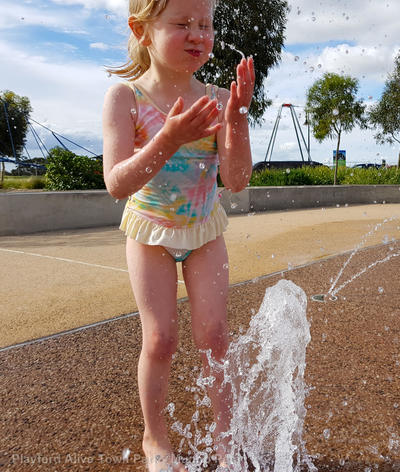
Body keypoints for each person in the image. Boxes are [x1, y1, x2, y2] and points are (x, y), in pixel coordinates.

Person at [102, 0, 254, 470]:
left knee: (215, 336)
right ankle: (155, 439)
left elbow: (236, 180)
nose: (197, 34)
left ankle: (227, 438)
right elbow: (116, 183)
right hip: (150, 233)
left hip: (205, 230)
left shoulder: (213, 95)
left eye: (205, 24)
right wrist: (166, 138)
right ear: (142, 30)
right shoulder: (125, 97)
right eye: (182, 24)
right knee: (161, 339)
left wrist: (236, 117)